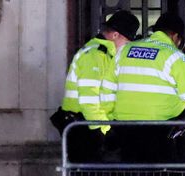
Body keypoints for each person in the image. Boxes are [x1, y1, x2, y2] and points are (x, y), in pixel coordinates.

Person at [101, 12, 185, 163]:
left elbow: (106, 89)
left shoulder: (124, 51)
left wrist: (109, 124)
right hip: (159, 131)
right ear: (176, 37)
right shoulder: (174, 56)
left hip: (124, 129)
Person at [59, 10, 140, 163]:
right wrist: (105, 131)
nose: (127, 46)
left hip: (88, 125)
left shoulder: (103, 54)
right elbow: (90, 99)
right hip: (85, 128)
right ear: (115, 35)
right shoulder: (95, 56)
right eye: (127, 41)